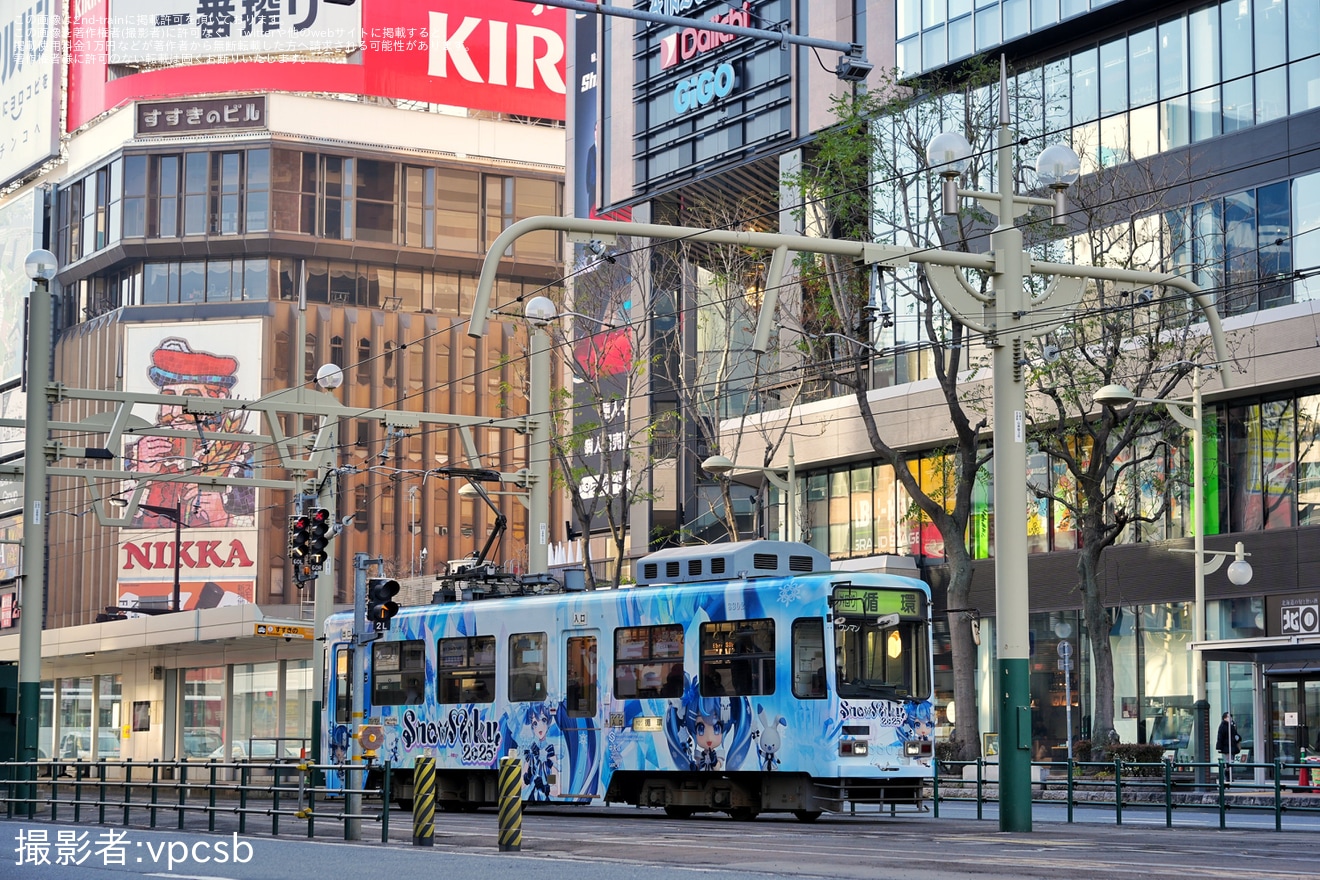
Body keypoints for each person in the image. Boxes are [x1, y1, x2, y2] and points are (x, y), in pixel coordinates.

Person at [1216, 711, 1243, 781]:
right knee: (1229, 761)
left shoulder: (1231, 725)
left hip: (1232, 746)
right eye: (1229, 717)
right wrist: (1220, 747)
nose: (1230, 718)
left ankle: (1229, 775)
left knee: (1231, 761)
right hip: (1227, 746)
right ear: (1225, 718)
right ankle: (1227, 775)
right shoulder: (1223, 726)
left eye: (1230, 717)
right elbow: (1220, 737)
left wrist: (1238, 738)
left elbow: (1235, 734)